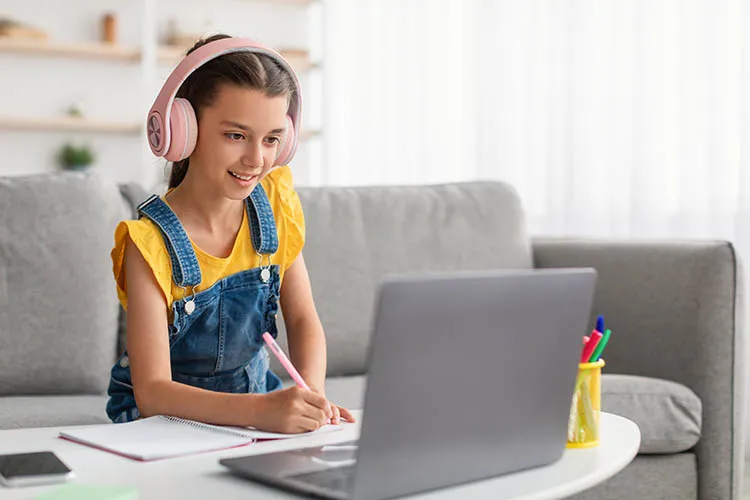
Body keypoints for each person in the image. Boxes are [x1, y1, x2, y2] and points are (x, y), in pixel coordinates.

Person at [105, 34, 354, 434]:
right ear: (182, 129)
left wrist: (313, 396)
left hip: (255, 411)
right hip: (165, 425)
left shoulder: (274, 205)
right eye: (236, 135)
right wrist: (260, 413)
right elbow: (152, 394)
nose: (256, 160)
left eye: (272, 139)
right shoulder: (148, 243)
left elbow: (304, 318)